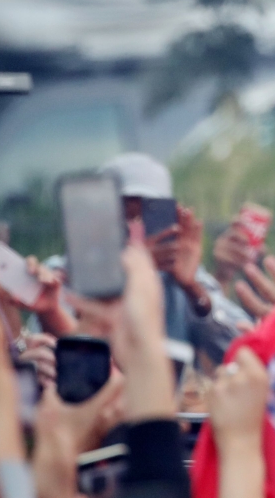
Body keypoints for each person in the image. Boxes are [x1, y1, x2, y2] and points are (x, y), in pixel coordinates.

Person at [97, 153, 250, 366]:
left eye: (147, 216)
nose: (135, 229)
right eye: (124, 215)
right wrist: (128, 277)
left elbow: (244, 352)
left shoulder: (180, 274)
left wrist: (193, 290)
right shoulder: (68, 274)